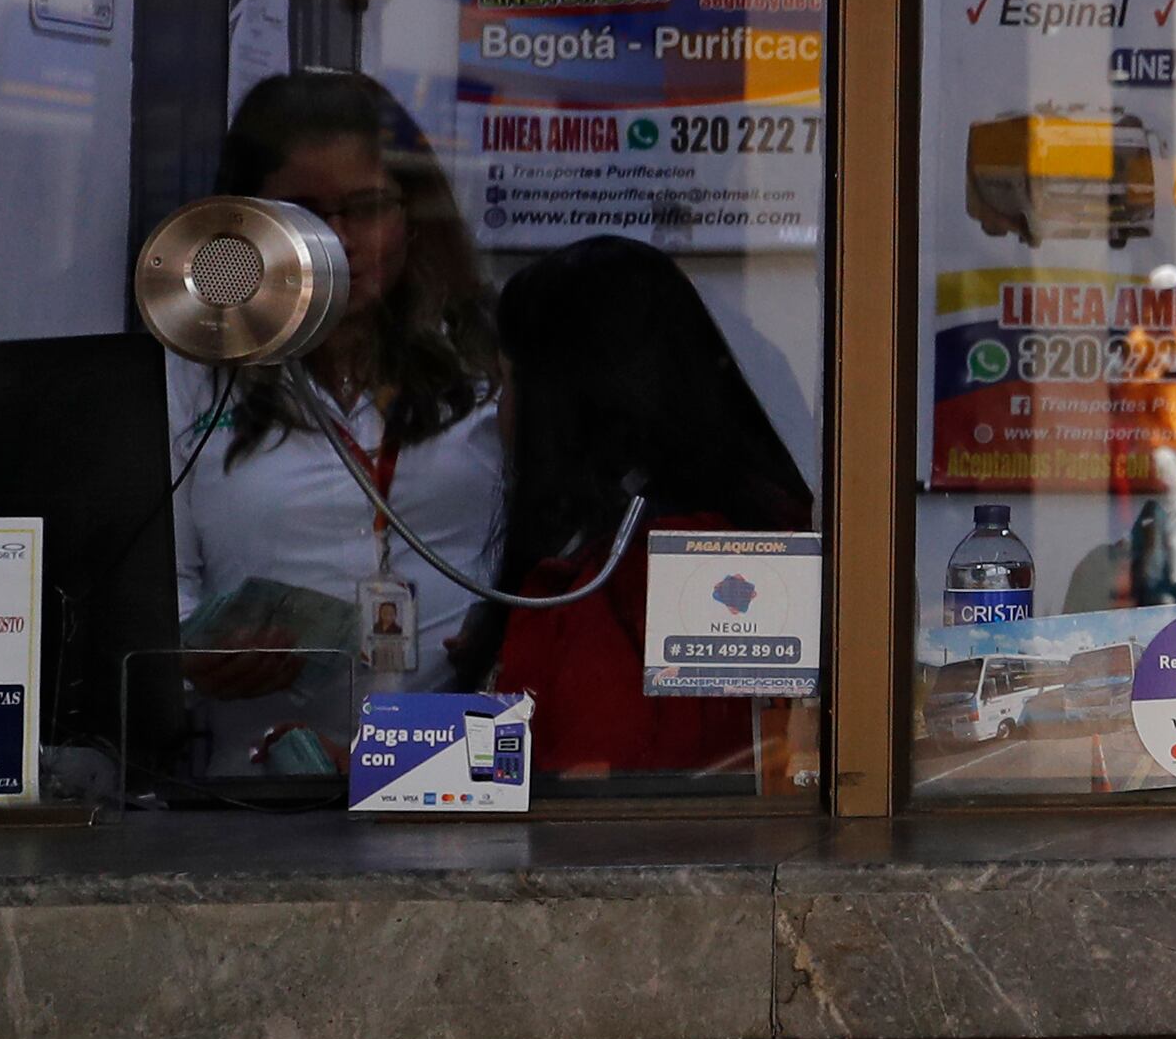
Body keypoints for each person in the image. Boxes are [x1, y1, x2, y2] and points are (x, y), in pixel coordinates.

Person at [166, 72, 505, 730]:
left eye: (368, 206)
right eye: (304, 212)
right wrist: (191, 651)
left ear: (411, 214)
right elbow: (161, 584)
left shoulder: (483, 357)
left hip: (459, 767)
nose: (338, 239)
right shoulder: (193, 370)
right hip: (256, 775)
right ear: (245, 225)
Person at [449, 237, 817, 779]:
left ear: (560, 400)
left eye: (507, 382)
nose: (499, 410)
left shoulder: (623, 578)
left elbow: (596, 775)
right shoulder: (755, 527)